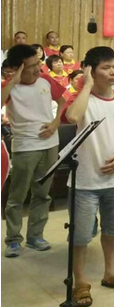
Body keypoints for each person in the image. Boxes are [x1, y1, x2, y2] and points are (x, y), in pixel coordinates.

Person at [61, 46, 114, 307]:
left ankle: (110, 273)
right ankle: (80, 282)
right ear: (91, 71)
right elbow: (71, 116)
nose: (113, 72)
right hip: (85, 182)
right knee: (81, 236)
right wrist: (86, 85)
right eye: (106, 67)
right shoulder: (82, 99)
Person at [1, 44, 66, 258]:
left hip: (49, 144)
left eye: (39, 63)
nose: (38, 69)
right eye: (31, 66)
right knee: (17, 195)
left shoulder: (46, 80)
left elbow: (63, 100)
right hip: (25, 147)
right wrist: (13, 81)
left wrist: (56, 122)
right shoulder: (9, 87)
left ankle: (35, 236)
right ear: (18, 67)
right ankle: (12, 240)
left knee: (42, 193)